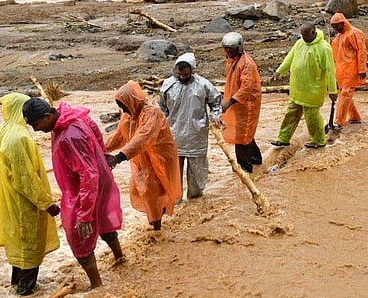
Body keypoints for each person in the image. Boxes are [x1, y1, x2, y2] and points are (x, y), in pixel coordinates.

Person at [22, 97, 124, 290]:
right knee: (103, 221)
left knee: (78, 237)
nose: (36, 130)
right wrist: (100, 155)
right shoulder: (70, 116)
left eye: (36, 124)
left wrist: (84, 214)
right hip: (99, 179)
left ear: (47, 115)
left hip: (83, 189)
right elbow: (94, 129)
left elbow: (88, 175)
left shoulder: (69, 136)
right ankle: (120, 258)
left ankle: (97, 285)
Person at [0, 92, 60, 297]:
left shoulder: (1, 131)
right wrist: (46, 203)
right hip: (24, 204)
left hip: (7, 199)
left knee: (18, 247)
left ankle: (16, 290)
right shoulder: (18, 138)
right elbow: (24, 178)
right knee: (29, 249)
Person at [105, 81, 181, 231]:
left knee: (152, 192)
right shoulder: (128, 116)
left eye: (124, 105)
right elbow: (119, 137)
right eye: (120, 106)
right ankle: (156, 220)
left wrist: (119, 157)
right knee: (142, 191)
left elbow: (143, 137)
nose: (122, 109)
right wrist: (100, 149)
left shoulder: (152, 114)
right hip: (141, 159)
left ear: (132, 100)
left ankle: (157, 231)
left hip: (159, 159)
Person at [158, 53, 222, 199]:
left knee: (197, 174)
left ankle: (195, 201)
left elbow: (216, 102)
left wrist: (215, 117)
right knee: (173, 174)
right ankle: (176, 202)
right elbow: (161, 107)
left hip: (196, 135)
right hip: (173, 136)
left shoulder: (203, 85)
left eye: (186, 75)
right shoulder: (168, 84)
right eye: (180, 74)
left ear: (192, 71)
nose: (182, 77)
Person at [269, 21, 338, 149]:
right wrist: (278, 72)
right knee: (290, 114)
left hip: (312, 91)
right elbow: (289, 58)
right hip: (297, 88)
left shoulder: (324, 47)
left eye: (305, 35)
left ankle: (318, 140)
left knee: (312, 117)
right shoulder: (300, 42)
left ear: (313, 32)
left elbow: (330, 70)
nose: (303, 37)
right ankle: (283, 138)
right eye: (301, 34)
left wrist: (333, 90)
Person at [219, 32, 263, 173]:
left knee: (241, 136)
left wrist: (229, 102)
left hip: (247, 104)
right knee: (245, 132)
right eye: (226, 48)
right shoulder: (231, 59)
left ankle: (245, 168)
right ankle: (255, 158)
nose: (227, 52)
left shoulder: (246, 64)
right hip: (237, 102)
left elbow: (246, 87)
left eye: (230, 49)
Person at [329, 12, 367, 128]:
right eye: (334, 27)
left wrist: (362, 69)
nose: (336, 29)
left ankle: (338, 121)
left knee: (345, 93)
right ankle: (354, 117)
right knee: (344, 93)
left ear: (343, 23)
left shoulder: (355, 33)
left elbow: (362, 51)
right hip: (341, 70)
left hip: (351, 70)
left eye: (337, 27)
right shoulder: (338, 37)